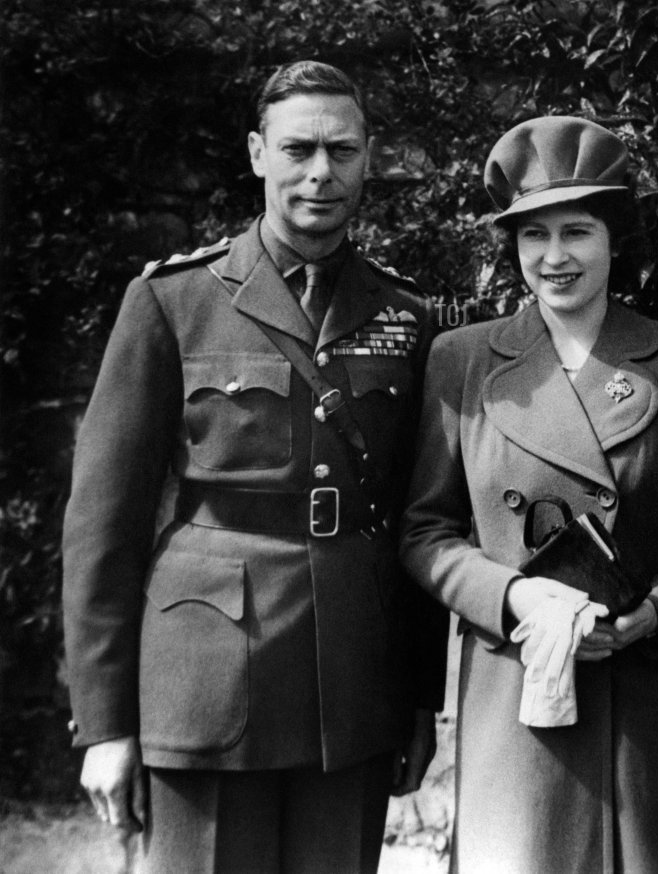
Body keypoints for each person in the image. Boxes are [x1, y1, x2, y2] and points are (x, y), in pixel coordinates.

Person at [61, 60, 448, 873]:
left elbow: (417, 522)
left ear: (369, 157)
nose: (320, 173)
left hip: (349, 687)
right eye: (298, 148)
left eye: (341, 151)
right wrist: (104, 725)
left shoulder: (406, 316)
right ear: (256, 154)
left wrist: (417, 700)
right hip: (204, 680)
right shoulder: (173, 300)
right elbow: (104, 524)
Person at [401, 115, 658, 873]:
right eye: (533, 237)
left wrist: (655, 614)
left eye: (577, 231)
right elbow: (426, 531)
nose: (555, 258)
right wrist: (513, 598)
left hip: (644, 695)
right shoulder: (463, 361)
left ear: (614, 238)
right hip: (516, 692)